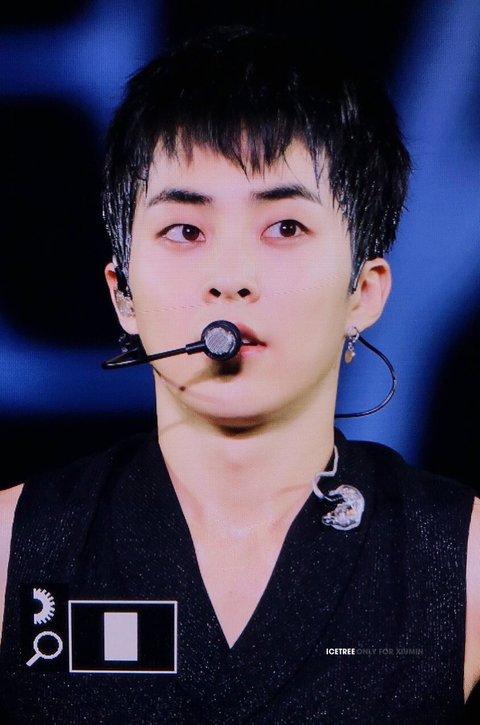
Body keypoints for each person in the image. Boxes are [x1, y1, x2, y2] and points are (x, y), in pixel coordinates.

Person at [0, 24, 479, 724]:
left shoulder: (461, 559)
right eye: (186, 231)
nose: (231, 278)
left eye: (285, 227)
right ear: (122, 293)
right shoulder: (15, 546)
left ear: (364, 291)